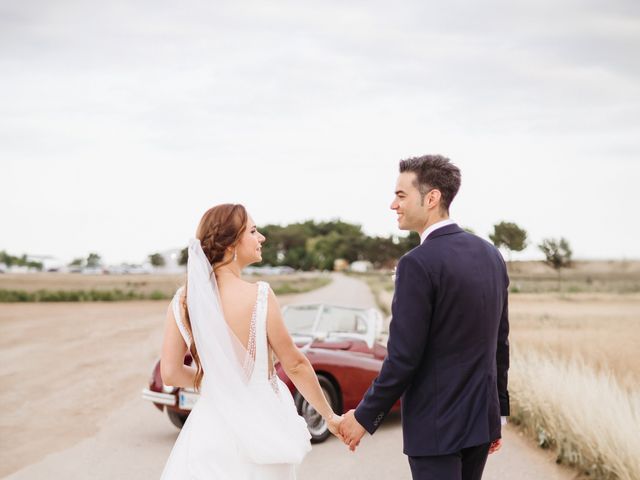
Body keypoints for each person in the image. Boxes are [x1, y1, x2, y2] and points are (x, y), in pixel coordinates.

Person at [340, 155, 510, 480]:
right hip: (481, 422)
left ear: (431, 198)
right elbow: (499, 341)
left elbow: (403, 358)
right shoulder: (491, 255)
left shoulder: (416, 264)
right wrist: (497, 412)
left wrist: (363, 417)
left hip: (436, 428)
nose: (393, 204)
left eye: (401, 195)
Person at [159, 203, 343, 479]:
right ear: (232, 243)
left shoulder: (183, 301)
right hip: (262, 425)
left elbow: (171, 373)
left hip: (210, 429)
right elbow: (294, 364)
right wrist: (330, 417)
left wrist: (217, 380)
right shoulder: (259, 296)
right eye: (254, 231)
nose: (262, 238)